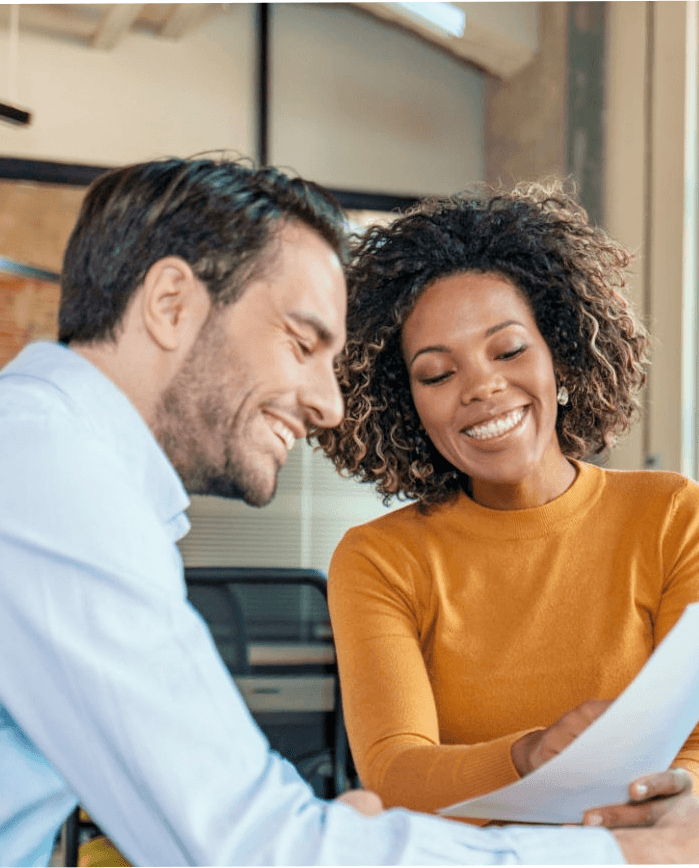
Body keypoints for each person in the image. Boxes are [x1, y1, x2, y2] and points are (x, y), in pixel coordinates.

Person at [0, 159, 696, 868]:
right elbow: (249, 844)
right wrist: (621, 854)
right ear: (171, 303)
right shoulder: (50, 483)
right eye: (302, 343)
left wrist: (344, 836)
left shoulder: (53, 466)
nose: (328, 405)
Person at [318, 181, 699, 823]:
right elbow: (394, 772)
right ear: (407, 405)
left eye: (510, 349)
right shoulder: (377, 559)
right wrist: (530, 756)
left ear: (561, 356)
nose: (483, 388)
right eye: (438, 374)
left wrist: (666, 803)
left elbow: (696, 742)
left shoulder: (672, 515)